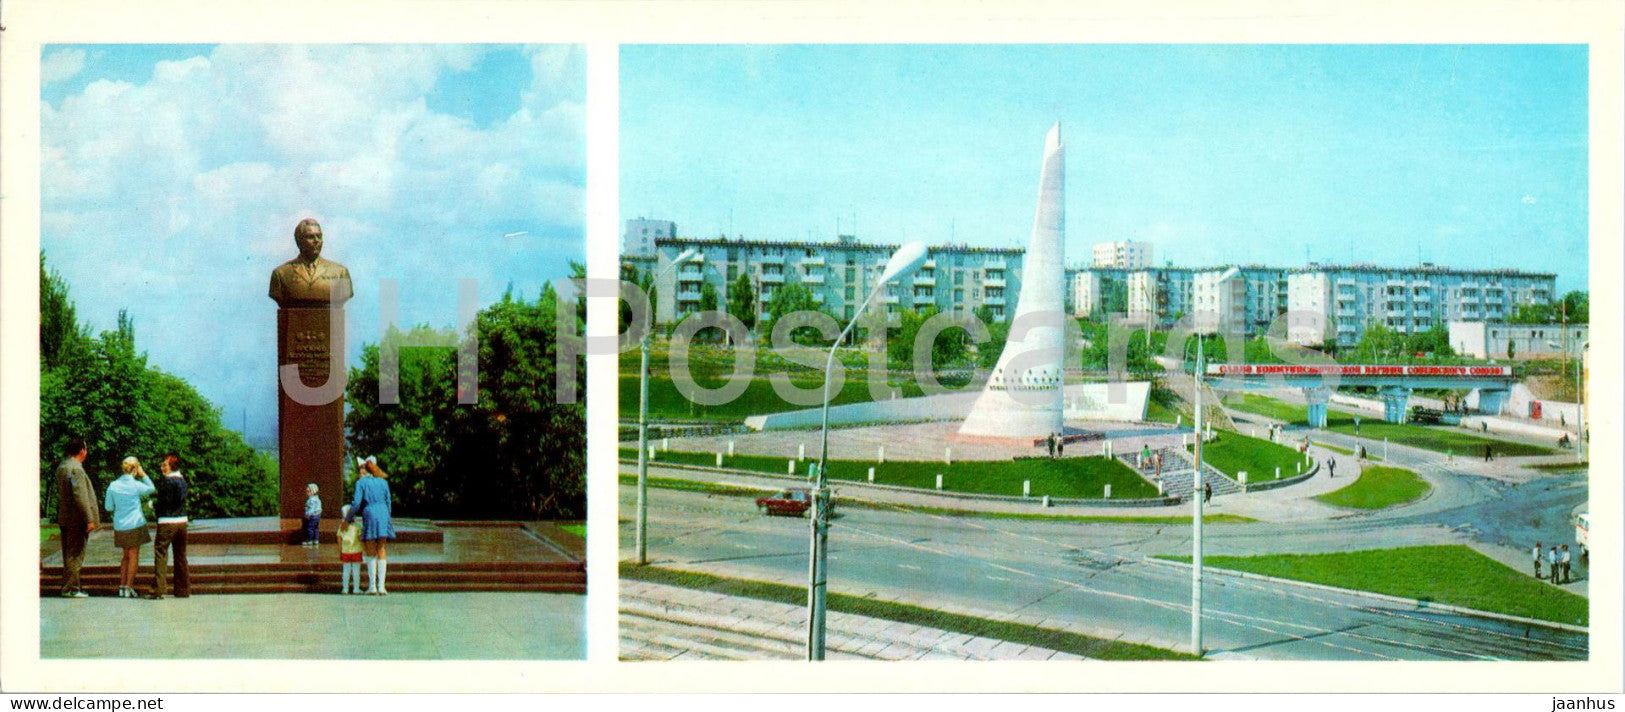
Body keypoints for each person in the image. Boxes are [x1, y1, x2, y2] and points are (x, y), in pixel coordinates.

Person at [104, 457, 156, 598]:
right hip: (135, 524)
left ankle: (122, 586)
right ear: (135, 469)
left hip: (120, 525)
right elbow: (152, 488)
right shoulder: (135, 485)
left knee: (125, 556)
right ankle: (129, 587)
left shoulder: (113, 485)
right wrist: (143, 474)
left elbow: (108, 507)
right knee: (133, 556)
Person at [54, 440, 100, 598]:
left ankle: (70, 586)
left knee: (68, 553)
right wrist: (89, 519)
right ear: (82, 451)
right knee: (75, 553)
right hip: (76, 519)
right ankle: (71, 588)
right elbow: (80, 496)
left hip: (65, 517)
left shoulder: (62, 467)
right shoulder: (76, 470)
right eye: (86, 449)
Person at [348, 457, 396, 595]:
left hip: (370, 513)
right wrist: (388, 518)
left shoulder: (361, 482)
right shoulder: (383, 482)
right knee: (381, 549)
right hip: (383, 514)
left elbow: (356, 503)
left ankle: (372, 586)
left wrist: (348, 518)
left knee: (370, 551)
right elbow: (388, 502)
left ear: (364, 469)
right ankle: (382, 586)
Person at [151, 454, 190, 599]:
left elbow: (164, 501)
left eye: (164, 465)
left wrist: (152, 504)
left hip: (167, 522)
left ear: (172, 466)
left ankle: (158, 590)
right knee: (180, 556)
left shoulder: (167, 482)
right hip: (182, 523)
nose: (162, 468)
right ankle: (183, 590)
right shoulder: (182, 481)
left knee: (161, 553)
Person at [337, 504, 364, 594]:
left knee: (346, 571)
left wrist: (340, 551)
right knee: (356, 571)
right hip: (356, 551)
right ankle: (356, 589)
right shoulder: (358, 526)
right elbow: (361, 538)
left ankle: (345, 589)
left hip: (345, 551)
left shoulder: (342, 527)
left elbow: (339, 539)